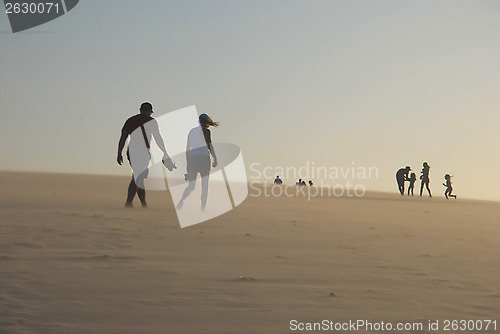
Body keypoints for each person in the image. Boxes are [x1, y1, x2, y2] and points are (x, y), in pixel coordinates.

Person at [117, 102, 173, 208]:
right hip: (143, 152)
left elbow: (123, 138)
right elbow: (158, 138)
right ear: (149, 111)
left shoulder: (130, 120)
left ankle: (143, 204)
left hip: (131, 151)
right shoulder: (151, 121)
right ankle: (128, 203)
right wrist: (165, 152)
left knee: (139, 177)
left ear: (140, 109)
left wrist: (119, 152)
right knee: (138, 176)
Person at [176, 114, 218, 211]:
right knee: (205, 185)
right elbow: (209, 145)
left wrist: (188, 165)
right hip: (203, 158)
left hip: (192, 158)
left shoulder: (192, 131)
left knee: (191, 186)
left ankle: (181, 201)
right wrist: (215, 158)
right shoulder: (206, 131)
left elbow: (187, 148)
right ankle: (202, 208)